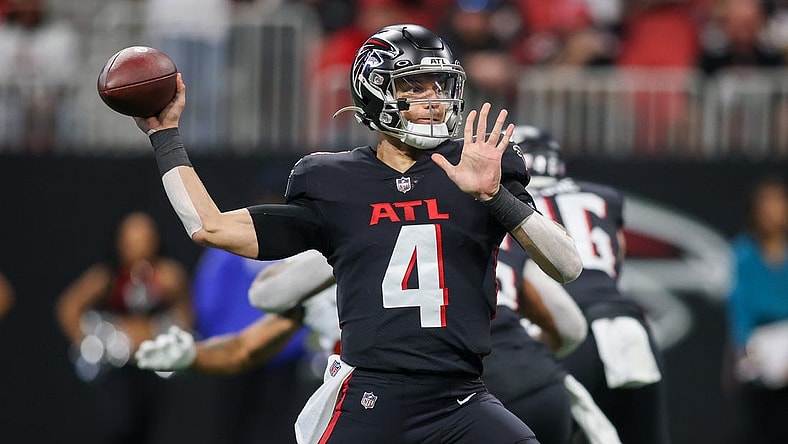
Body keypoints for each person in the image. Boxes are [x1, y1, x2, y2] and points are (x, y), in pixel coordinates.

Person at [131, 23, 582, 443]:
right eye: (414, 85)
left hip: (460, 398)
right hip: (372, 399)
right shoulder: (333, 181)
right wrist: (165, 135)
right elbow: (210, 227)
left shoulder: (478, 166)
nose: (433, 98)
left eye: (439, 85)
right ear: (375, 92)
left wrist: (494, 196)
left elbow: (567, 265)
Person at [137, 249, 619, 444]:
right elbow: (248, 345)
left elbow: (257, 314)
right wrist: (193, 355)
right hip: (505, 389)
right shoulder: (459, 228)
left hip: (429, 399)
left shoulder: (349, 248)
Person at [513, 125, 671, 444]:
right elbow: (617, 256)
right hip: (627, 324)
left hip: (568, 332)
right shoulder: (602, 196)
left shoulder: (510, 204)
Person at [55, 211, 194, 443]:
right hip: (117, 368)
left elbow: (186, 313)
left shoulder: (168, 276)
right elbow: (69, 307)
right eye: (132, 240)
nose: (139, 247)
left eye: (145, 239)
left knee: (148, 424)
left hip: (152, 365)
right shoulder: (107, 276)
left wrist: (166, 334)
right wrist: (93, 341)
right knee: (120, 423)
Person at [724, 176, 788, 444]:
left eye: (778, 203)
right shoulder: (742, 253)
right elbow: (740, 306)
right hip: (758, 351)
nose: (772, 211)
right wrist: (743, 351)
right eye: (766, 204)